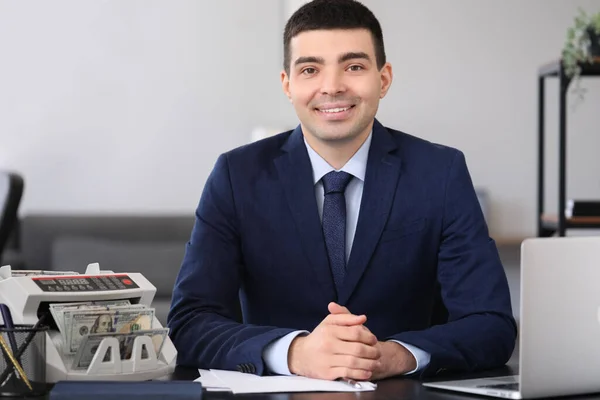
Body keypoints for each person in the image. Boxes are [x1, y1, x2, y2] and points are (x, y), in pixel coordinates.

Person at [167, 0, 516, 381]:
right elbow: (189, 323)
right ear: (288, 84)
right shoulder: (237, 176)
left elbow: (491, 324)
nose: (332, 87)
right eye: (310, 69)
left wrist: (393, 356)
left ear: (383, 79)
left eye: (353, 66)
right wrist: (295, 353)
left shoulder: (441, 172)